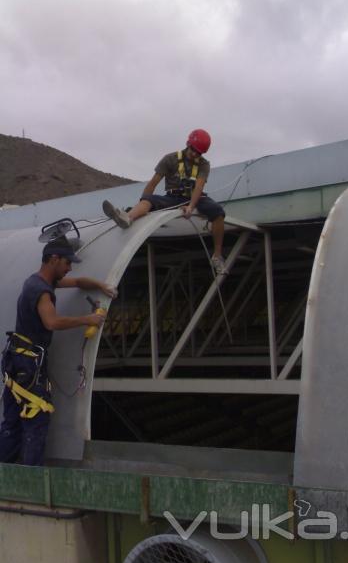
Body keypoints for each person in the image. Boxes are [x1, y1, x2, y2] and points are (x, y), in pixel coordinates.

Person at [0, 236, 117, 466]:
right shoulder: (42, 291)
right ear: (54, 259)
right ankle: (31, 482)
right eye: (66, 263)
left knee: (12, 422)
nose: (69, 268)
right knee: (36, 420)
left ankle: (5, 477)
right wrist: (88, 319)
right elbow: (52, 322)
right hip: (29, 366)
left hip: (16, 360)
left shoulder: (35, 282)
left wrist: (101, 285)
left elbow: (77, 282)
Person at [102, 129, 227, 275]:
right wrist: (143, 202)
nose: (195, 154)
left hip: (196, 197)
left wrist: (191, 206)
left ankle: (217, 256)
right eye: (193, 150)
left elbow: (199, 187)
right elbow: (153, 183)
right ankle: (128, 218)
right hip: (173, 197)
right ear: (188, 144)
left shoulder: (204, 164)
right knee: (149, 200)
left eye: (199, 153)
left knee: (218, 212)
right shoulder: (170, 159)